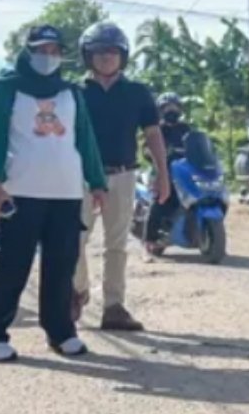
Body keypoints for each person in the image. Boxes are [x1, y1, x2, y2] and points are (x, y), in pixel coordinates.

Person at [0, 24, 108, 362]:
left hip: (65, 191)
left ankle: (60, 331)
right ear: (27, 51)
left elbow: (85, 138)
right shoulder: (4, 90)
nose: (47, 57)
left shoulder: (70, 93)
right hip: (20, 191)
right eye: (40, 50)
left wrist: (96, 182)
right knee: (11, 264)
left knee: (62, 265)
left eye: (53, 50)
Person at [73, 22, 169, 331]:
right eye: (99, 52)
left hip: (123, 175)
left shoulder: (137, 93)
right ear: (87, 56)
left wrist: (162, 174)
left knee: (116, 243)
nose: (106, 57)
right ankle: (77, 291)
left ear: (123, 56)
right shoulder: (74, 92)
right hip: (81, 177)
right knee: (74, 238)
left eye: (112, 51)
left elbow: (153, 135)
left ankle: (113, 307)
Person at [143, 92, 192, 251]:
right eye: (168, 108)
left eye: (175, 107)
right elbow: (146, 149)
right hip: (161, 173)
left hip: (183, 172)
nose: (172, 111)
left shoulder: (185, 128)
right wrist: (156, 157)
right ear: (161, 110)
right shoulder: (158, 129)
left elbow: (196, 145)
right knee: (159, 202)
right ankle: (149, 240)